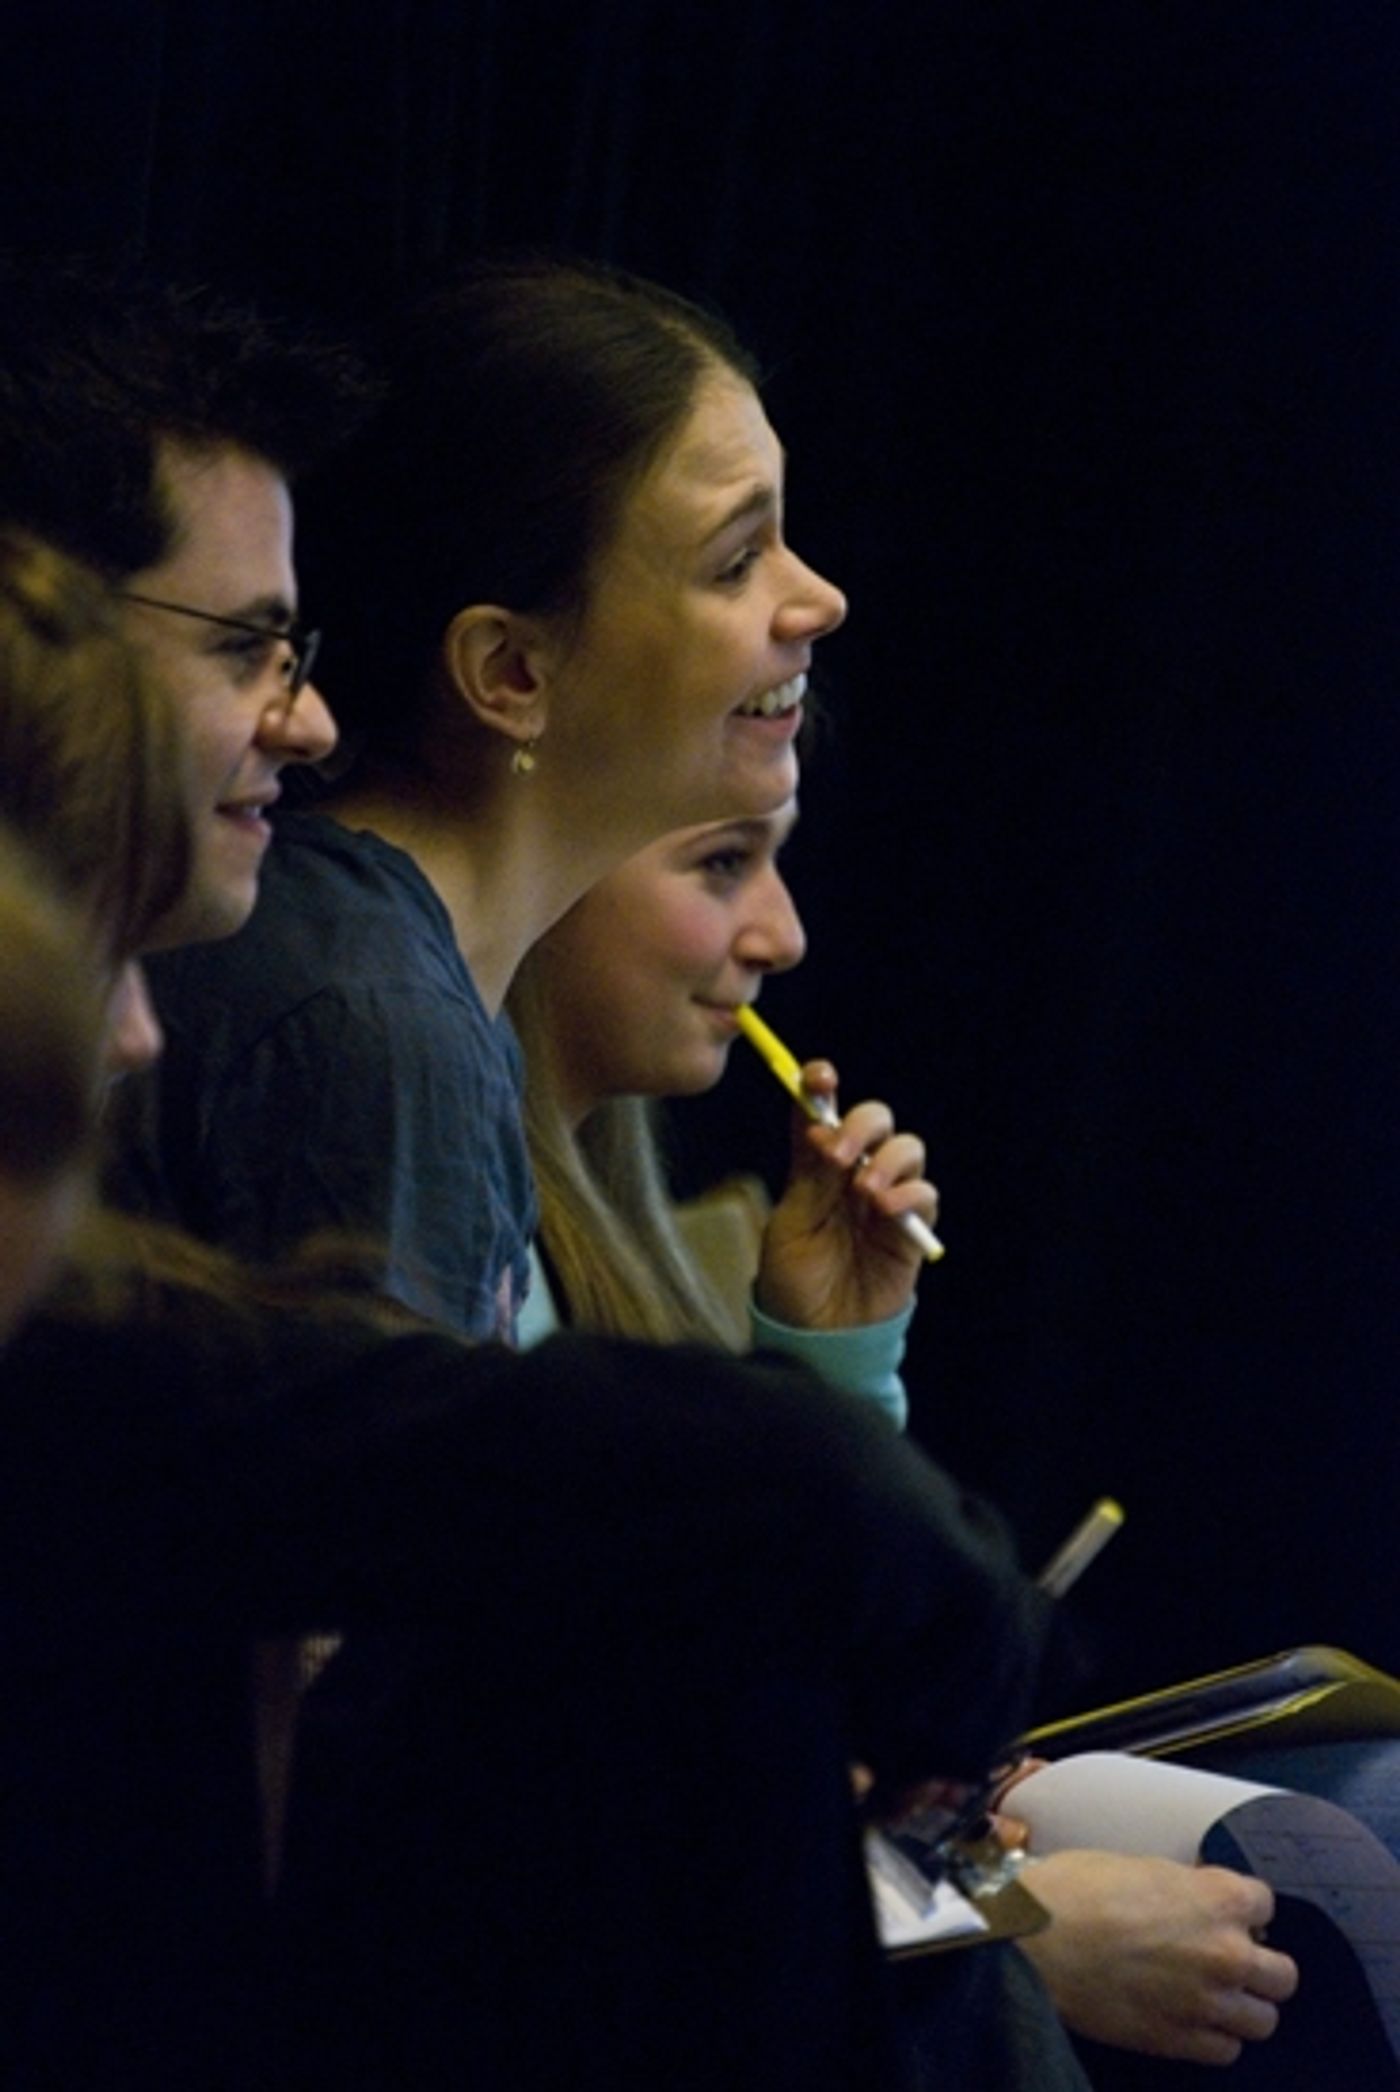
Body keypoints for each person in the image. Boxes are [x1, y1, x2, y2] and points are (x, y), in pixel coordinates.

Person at [0, 530, 1072, 2092]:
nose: (149, 1038)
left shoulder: (402, 1082)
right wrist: (963, 1902)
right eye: (88, 959)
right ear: (509, 673)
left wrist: (831, 1379)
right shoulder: (370, 1025)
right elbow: (663, 1486)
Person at [506, 801, 1317, 2075]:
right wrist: (1008, 1936)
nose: (781, 930)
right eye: (722, 863)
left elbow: (783, 1690)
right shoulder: (481, 1258)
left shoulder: (610, 1233)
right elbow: (583, 1824)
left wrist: (829, 1353)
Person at [130, 253, 847, 1339]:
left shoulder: (403, 989)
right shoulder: (370, 1020)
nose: (821, 601)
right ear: (511, 674)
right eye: (736, 559)